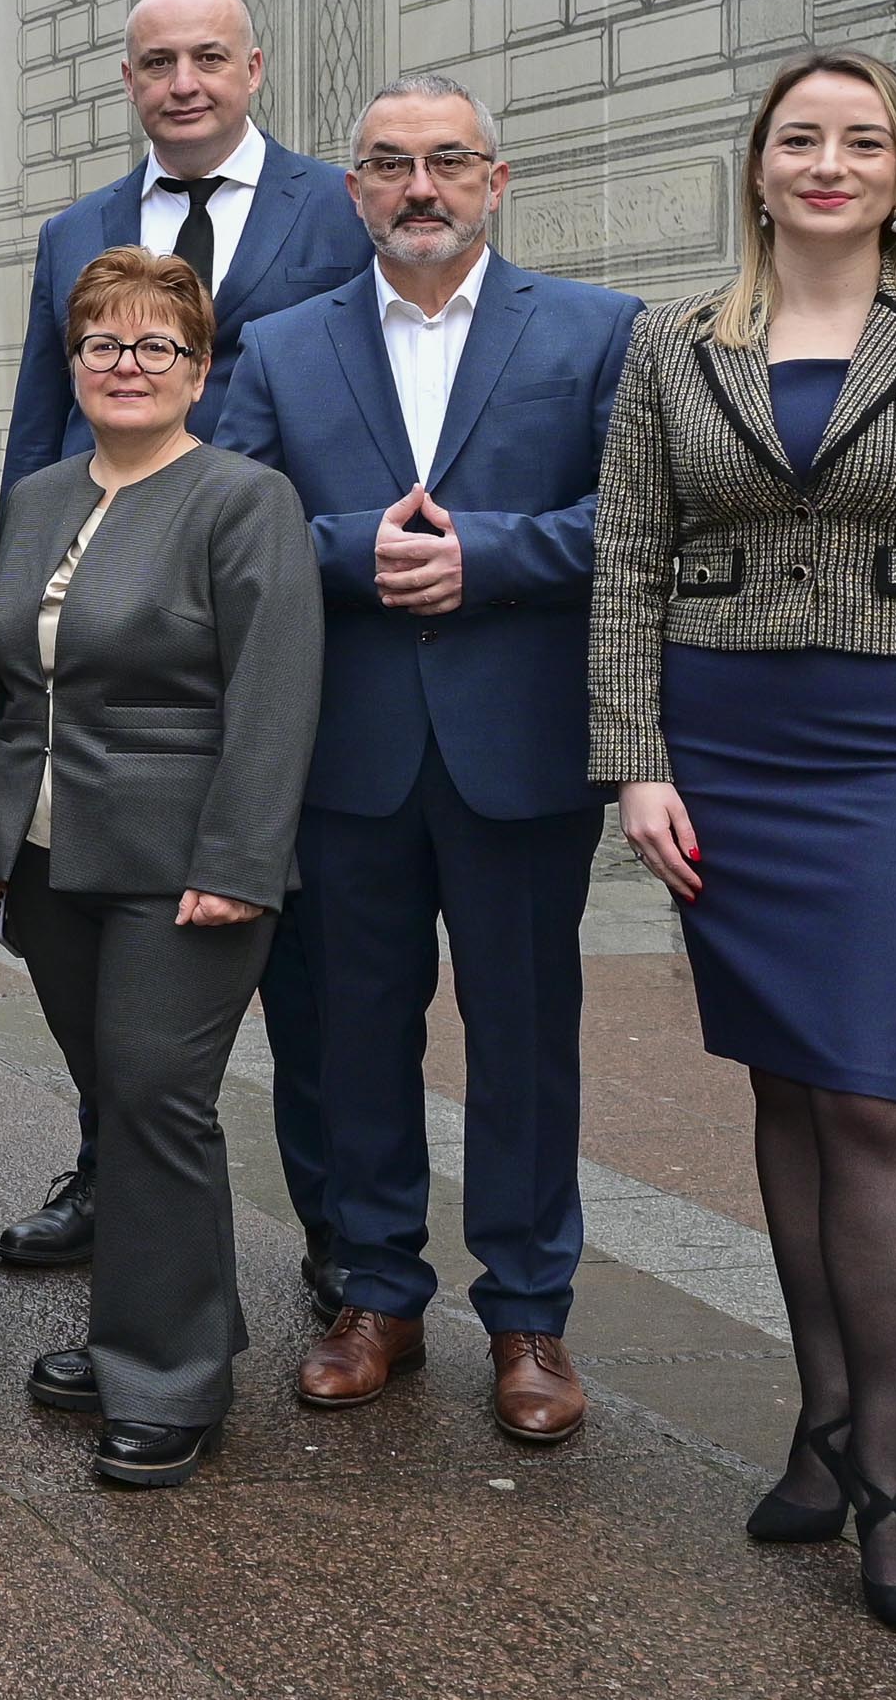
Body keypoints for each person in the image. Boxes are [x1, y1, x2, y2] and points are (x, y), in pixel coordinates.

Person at [592, 51, 896, 1643]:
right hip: (726, 744)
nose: (830, 163)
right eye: (801, 137)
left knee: (868, 1091)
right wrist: (637, 759)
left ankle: (893, 1483)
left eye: (863, 140)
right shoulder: (676, 340)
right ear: (760, 165)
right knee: (787, 1083)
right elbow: (630, 559)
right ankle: (819, 1419)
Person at [215, 75, 638, 1445]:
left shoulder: (596, 330)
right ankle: (376, 1293)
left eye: (447, 161)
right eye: (390, 164)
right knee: (352, 1037)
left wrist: (489, 555)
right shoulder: (282, 344)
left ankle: (528, 1313)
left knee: (523, 1039)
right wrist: (355, 550)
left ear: (494, 181)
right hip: (348, 752)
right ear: (353, 191)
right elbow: (236, 516)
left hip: (519, 747)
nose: (420, 186)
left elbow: (634, 518)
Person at [0, 0, 369, 1310]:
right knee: (114, 998)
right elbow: (38, 434)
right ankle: (113, 1184)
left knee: (298, 982)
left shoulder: (337, 210)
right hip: (107, 662)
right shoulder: (75, 233)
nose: (184, 81)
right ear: (128, 79)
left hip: (281, 627)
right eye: (157, 61)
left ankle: (340, 1239)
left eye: (209, 56)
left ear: (255, 67)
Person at [0, 245, 322, 1487]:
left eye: (154, 345)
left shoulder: (241, 499)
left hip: (182, 866)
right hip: (48, 855)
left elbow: (273, 692)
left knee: (155, 1097)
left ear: (198, 367)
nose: (126, 365)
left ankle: (169, 1380)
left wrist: (239, 861)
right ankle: (155, 1326)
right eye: (101, 344)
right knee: (112, 1099)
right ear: (71, 364)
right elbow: (10, 681)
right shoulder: (37, 497)